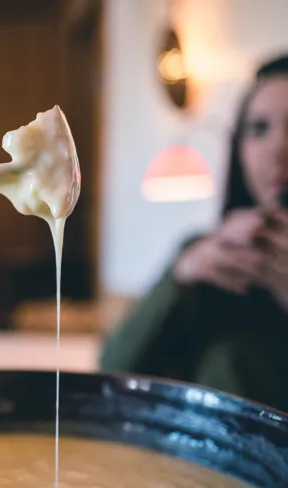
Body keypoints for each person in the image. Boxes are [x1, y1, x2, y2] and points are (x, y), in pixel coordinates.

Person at [100, 54, 288, 412]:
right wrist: (180, 277)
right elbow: (111, 371)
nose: (277, 149)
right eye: (258, 129)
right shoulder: (205, 253)